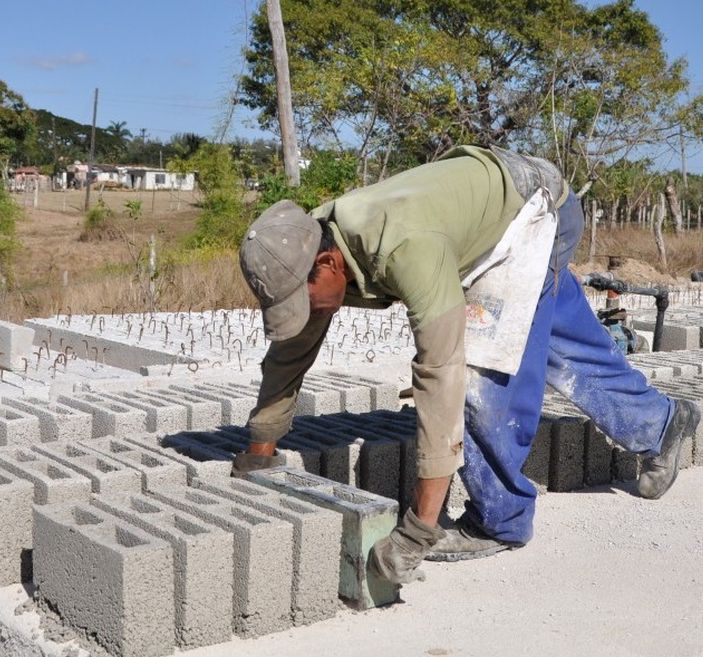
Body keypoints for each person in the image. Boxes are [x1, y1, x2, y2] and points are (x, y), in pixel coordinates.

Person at [233, 145, 700, 585]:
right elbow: (293, 346)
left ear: (330, 263)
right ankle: (661, 423)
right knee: (555, 340)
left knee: (483, 373)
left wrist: (419, 528)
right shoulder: (306, 243)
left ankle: (500, 520)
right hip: (499, 205)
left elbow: (442, 377)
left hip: (535, 214)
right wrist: (261, 445)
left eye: (305, 300)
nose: (306, 311)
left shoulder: (404, 248)